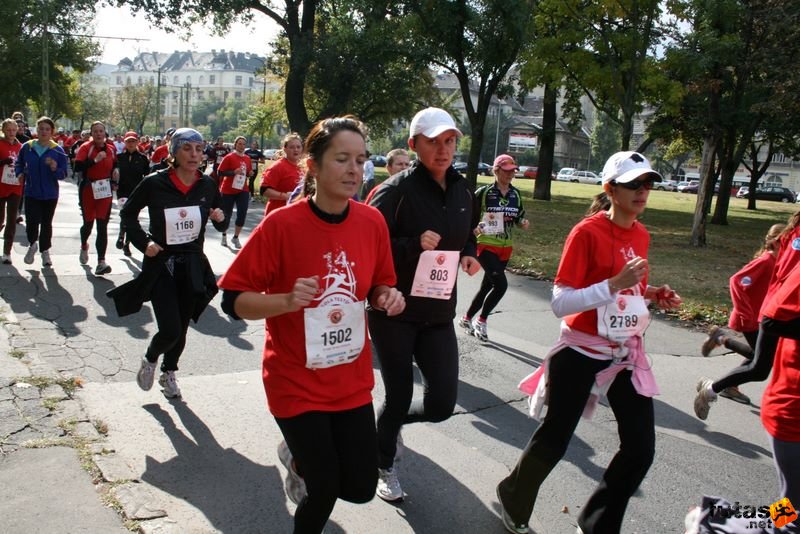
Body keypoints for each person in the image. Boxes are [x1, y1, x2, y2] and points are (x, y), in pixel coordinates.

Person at [217, 116, 404, 534]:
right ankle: (307, 468)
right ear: (313, 166)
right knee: (324, 489)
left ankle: (295, 457)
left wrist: (386, 295)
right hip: (295, 381)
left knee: (359, 488)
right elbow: (233, 301)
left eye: (360, 159)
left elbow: (381, 282)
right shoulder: (281, 225)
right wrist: (285, 301)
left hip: (350, 378)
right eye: (342, 159)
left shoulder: (371, 222)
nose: (354, 169)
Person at [496, 151, 682, 534]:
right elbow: (560, 302)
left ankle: (597, 524)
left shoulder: (642, 234)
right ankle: (512, 496)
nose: (642, 192)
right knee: (555, 438)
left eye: (647, 184)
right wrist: (612, 284)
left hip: (624, 353)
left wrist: (651, 296)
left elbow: (627, 297)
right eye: (633, 184)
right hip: (581, 350)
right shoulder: (587, 232)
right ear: (610, 189)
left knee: (640, 449)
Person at [367, 107, 480, 502]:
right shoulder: (394, 191)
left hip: (437, 314)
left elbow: (468, 234)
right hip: (394, 312)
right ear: (414, 145)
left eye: (449, 141)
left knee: (442, 405)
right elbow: (368, 248)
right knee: (397, 395)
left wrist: (468, 252)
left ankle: (388, 426)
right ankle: (383, 464)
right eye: (433, 141)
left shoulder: (465, 190)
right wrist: (412, 244)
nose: (443, 149)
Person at [108, 128, 225, 399]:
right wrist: (144, 243)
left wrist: (219, 218)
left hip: (193, 264)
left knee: (182, 326)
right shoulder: (154, 182)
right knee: (170, 327)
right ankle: (150, 359)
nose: (194, 154)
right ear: (174, 152)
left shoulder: (207, 185)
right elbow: (128, 214)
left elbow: (221, 223)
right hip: (162, 264)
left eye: (198, 149)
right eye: (187, 148)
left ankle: (169, 372)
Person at [694, 209, 800, 420]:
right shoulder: (786, 243)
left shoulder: (791, 238)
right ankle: (720, 381)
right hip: (773, 313)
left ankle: (716, 381)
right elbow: (737, 281)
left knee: (759, 367)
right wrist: (745, 311)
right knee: (758, 362)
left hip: (775, 311)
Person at [458, 154, 529, 342]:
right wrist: (473, 227)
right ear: (496, 171)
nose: (511, 174)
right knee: (501, 285)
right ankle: (481, 321)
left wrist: (522, 222)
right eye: (506, 171)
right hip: (486, 245)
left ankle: (466, 319)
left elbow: (518, 215)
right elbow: (469, 214)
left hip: (506, 247)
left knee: (487, 286)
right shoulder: (484, 192)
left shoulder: (516, 193)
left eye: (513, 170)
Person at [14, 117, 68, 267]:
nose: (43, 132)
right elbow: (19, 163)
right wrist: (19, 173)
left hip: (50, 194)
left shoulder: (57, 150)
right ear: (36, 130)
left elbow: (63, 174)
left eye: (47, 129)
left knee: (46, 223)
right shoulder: (28, 146)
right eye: (41, 128)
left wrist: (55, 168)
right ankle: (32, 244)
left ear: (52, 132)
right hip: (31, 192)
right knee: (31, 222)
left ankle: (45, 252)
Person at [74, 121, 117, 275]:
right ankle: (84, 245)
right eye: (95, 131)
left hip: (104, 191)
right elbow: (77, 167)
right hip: (88, 189)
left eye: (101, 131)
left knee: (102, 226)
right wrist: (94, 160)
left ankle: (101, 261)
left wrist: (115, 175)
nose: (99, 134)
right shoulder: (86, 147)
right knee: (88, 224)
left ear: (105, 133)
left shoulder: (111, 149)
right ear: (91, 134)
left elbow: (114, 165)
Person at [115, 131, 150, 257]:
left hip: (136, 192)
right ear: (124, 142)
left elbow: (148, 176)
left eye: (133, 141)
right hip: (122, 191)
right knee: (124, 214)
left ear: (137, 142)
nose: (130, 143)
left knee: (133, 218)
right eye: (128, 141)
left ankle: (127, 243)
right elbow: (113, 173)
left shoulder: (142, 158)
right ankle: (121, 236)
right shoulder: (119, 158)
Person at [216, 136, 252, 248]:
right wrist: (233, 172)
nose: (241, 146)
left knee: (242, 214)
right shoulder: (229, 157)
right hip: (228, 190)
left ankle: (235, 237)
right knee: (227, 214)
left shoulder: (247, 158)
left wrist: (249, 174)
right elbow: (219, 172)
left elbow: (248, 172)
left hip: (243, 189)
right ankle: (224, 235)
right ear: (235, 144)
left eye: (243, 144)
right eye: (239, 143)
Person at [261, 132, 303, 214]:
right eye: (292, 147)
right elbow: (264, 190)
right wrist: (288, 196)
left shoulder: (304, 167)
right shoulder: (278, 166)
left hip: (296, 213)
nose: (296, 150)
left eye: (298, 147)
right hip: (277, 213)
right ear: (285, 149)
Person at [0, 119, 23, 264]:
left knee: (11, 220)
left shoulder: (21, 147)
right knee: (0, 218)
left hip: (15, 186)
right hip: (1, 185)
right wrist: (3, 162)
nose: (11, 133)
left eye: (14, 130)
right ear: (3, 130)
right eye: (8, 130)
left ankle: (7, 252)